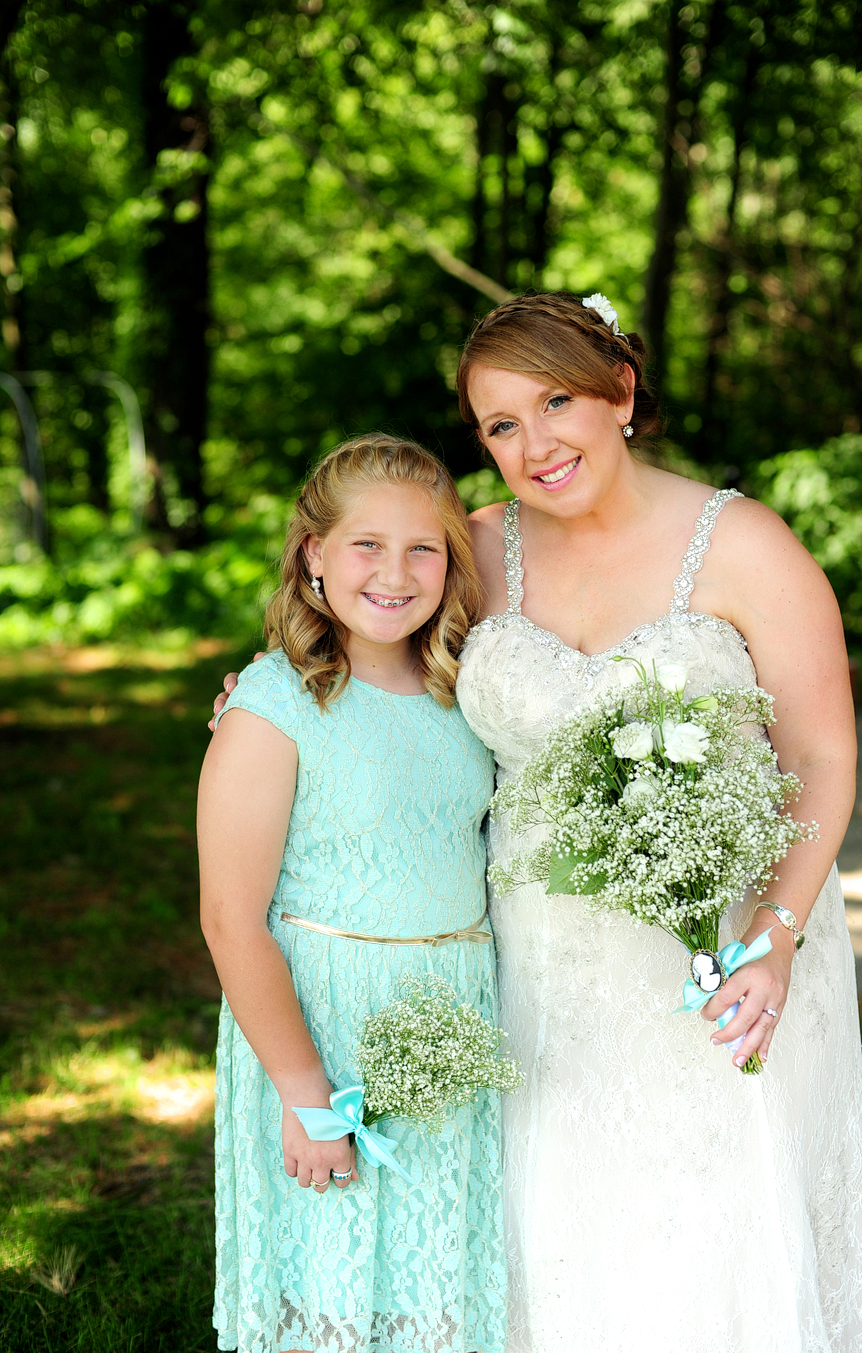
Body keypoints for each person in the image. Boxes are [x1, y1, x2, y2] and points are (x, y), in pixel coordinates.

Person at [452, 290, 862, 1352]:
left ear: (621, 391)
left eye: (557, 400)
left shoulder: (743, 543)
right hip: (544, 957)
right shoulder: (469, 549)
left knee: (728, 1210)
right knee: (564, 1207)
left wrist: (777, 941)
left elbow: (823, 755)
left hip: (737, 940)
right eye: (501, 425)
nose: (535, 443)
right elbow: (358, 646)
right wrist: (267, 690)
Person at [198, 434, 507, 1353]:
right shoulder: (274, 704)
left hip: (453, 1015)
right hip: (326, 1022)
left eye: (423, 548)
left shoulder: (465, 692)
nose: (395, 572)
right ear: (312, 556)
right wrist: (305, 1093)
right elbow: (228, 917)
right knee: (330, 1276)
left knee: (435, 1275)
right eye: (365, 544)